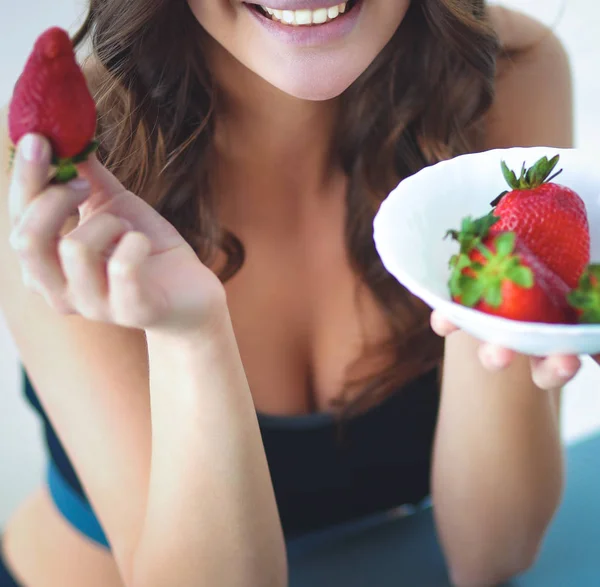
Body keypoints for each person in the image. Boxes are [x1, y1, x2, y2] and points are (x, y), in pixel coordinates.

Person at [0, 0, 583, 585]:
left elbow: (494, 554)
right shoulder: (58, 169)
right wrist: (191, 340)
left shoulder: (507, 73)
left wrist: (487, 291)